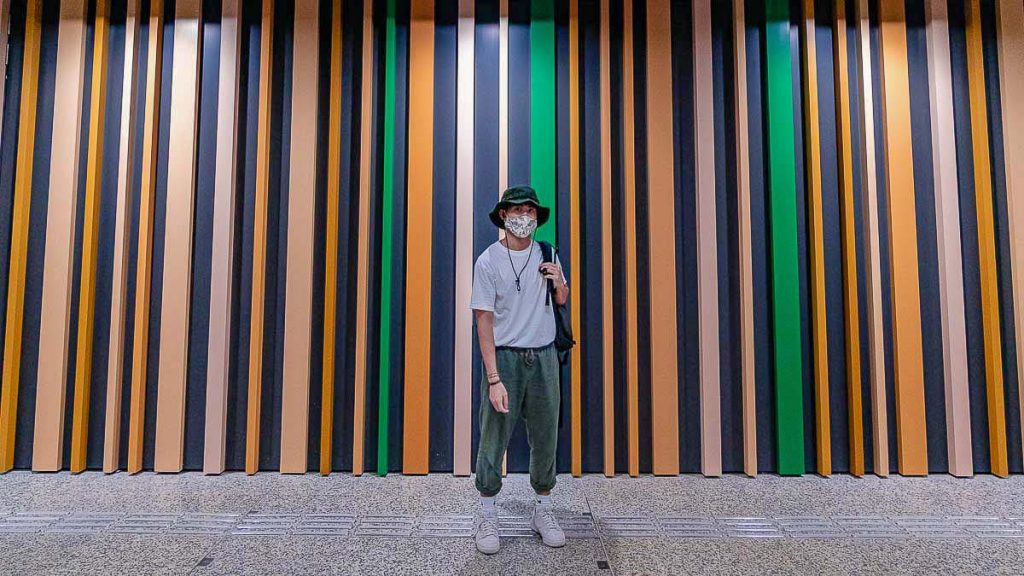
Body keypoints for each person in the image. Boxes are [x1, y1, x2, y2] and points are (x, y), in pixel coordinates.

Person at [470, 185, 569, 555]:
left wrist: (559, 280)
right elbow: (483, 322)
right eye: (516, 211)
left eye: (529, 211)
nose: (523, 217)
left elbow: (562, 299)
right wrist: (494, 378)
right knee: (494, 434)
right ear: (502, 216)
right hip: (506, 358)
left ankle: (543, 510)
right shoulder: (488, 261)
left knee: (545, 436)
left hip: (543, 357)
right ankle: (487, 513)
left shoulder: (548, 252)